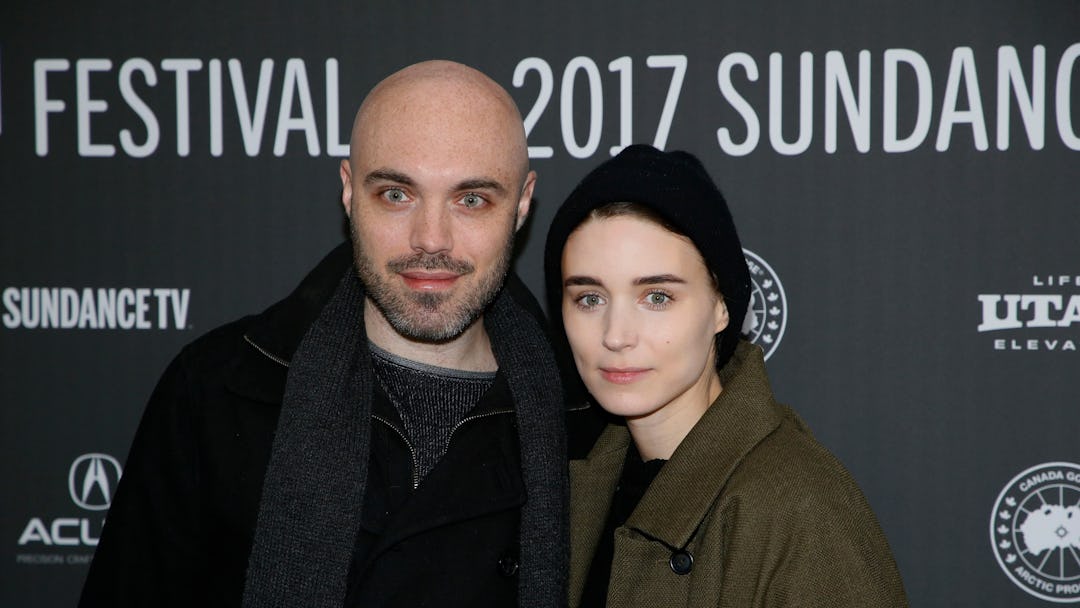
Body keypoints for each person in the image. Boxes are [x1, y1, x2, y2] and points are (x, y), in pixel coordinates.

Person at [79, 60, 569, 608]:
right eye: (396, 195)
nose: (431, 239)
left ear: (523, 204)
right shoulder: (214, 392)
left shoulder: (583, 420)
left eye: (471, 199)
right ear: (348, 191)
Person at [543, 144, 908, 607]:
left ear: (721, 306)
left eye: (656, 297)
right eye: (589, 298)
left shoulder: (797, 506)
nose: (616, 336)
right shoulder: (572, 489)